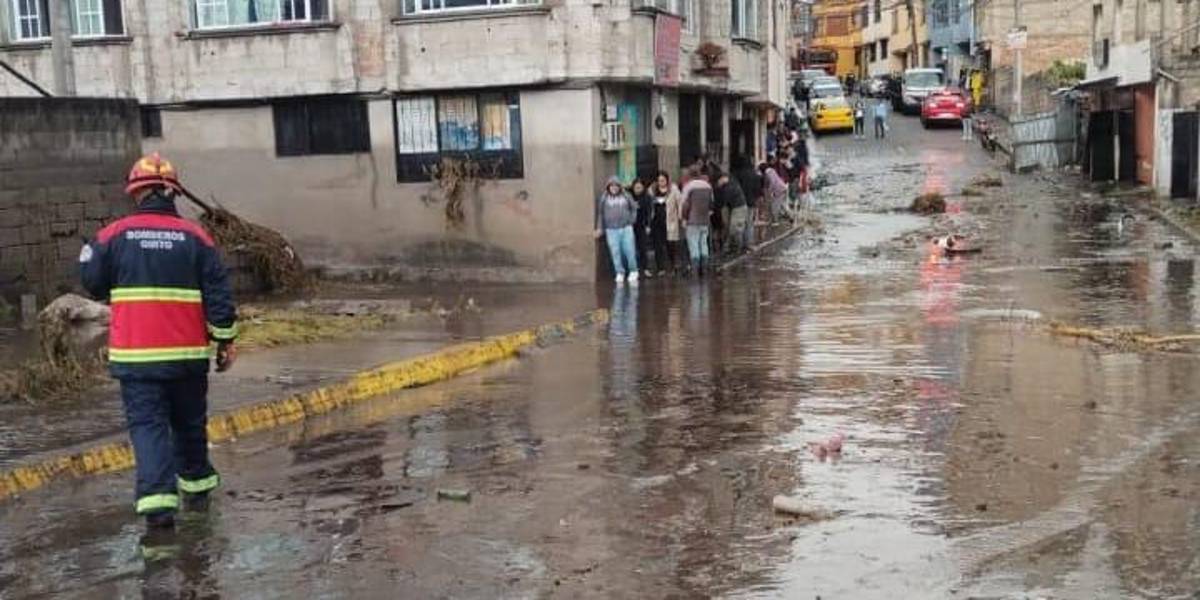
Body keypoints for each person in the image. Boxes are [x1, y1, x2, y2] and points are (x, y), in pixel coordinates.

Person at [80, 153, 237, 530]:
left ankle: (158, 505)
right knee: (189, 423)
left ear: (137, 193)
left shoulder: (113, 235)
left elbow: (92, 280)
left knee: (148, 427)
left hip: (137, 359)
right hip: (186, 356)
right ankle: (197, 488)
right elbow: (219, 293)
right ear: (172, 193)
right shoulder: (198, 237)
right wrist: (226, 340)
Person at [595, 176, 639, 283]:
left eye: (616, 186)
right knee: (615, 252)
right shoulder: (604, 199)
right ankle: (619, 272)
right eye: (612, 186)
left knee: (629, 250)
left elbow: (634, 208)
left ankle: (633, 270)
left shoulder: (626, 196)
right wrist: (600, 228)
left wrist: (631, 220)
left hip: (626, 227)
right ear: (608, 187)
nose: (614, 188)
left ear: (619, 187)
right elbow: (600, 214)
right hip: (611, 230)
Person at [681, 172, 714, 276]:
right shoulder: (708, 186)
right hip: (705, 221)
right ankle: (704, 268)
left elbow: (685, 205)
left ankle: (695, 269)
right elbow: (712, 204)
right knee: (703, 243)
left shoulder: (689, 187)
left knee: (694, 244)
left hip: (692, 220)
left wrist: (684, 218)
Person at [716, 172, 749, 255]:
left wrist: (717, 206)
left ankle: (738, 248)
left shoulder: (729, 186)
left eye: (719, 180)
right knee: (735, 228)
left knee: (735, 229)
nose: (718, 182)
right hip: (737, 207)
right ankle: (737, 247)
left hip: (738, 208)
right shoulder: (732, 183)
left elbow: (725, 199)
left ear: (723, 178)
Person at [733, 156, 763, 249]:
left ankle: (739, 244)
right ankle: (748, 243)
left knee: (740, 224)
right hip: (751, 202)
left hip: (739, 203)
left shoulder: (737, 174)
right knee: (749, 223)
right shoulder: (755, 175)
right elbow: (758, 190)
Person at [630, 178, 654, 279]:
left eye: (639, 187)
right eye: (636, 187)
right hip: (631, 225)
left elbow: (649, 212)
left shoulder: (647, 197)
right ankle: (634, 269)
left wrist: (648, 225)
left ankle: (645, 268)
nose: (638, 189)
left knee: (642, 247)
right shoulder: (630, 197)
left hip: (642, 225)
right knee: (631, 248)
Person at [649, 172, 672, 276]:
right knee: (658, 246)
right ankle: (660, 268)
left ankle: (672, 266)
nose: (661, 182)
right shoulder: (652, 191)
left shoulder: (672, 190)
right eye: (659, 180)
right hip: (656, 222)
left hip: (669, 222)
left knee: (670, 244)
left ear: (667, 180)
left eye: (663, 180)